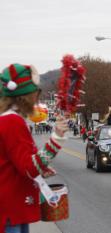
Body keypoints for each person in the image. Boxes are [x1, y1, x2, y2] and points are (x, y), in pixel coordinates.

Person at [0, 64, 69, 233]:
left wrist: (41, 170)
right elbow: (29, 168)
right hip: (11, 210)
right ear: (24, 96)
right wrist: (56, 139)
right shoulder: (12, 122)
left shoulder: (8, 120)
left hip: (10, 208)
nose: (37, 99)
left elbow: (17, 163)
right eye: (35, 93)